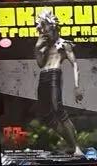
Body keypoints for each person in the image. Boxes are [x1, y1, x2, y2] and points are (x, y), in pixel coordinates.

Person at [33, 8, 83, 156]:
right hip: (43, 76)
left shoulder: (64, 44)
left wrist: (77, 86)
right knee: (46, 114)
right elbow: (40, 64)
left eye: (44, 26)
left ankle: (77, 147)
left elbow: (75, 64)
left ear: (52, 25)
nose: (41, 30)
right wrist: (37, 49)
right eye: (40, 27)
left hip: (54, 74)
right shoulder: (44, 45)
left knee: (58, 110)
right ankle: (71, 145)